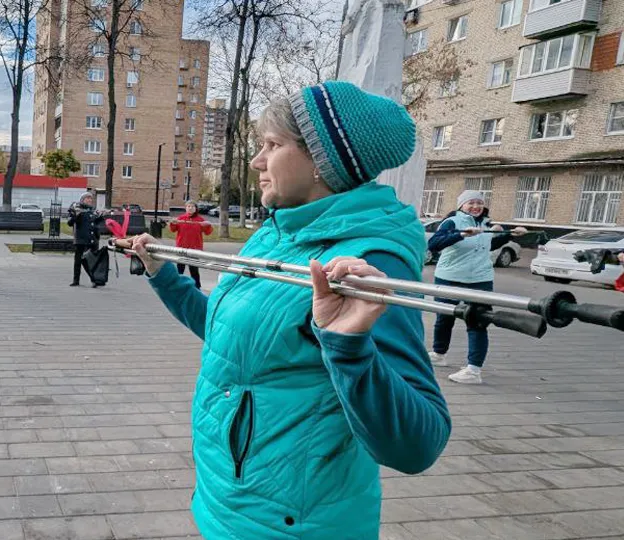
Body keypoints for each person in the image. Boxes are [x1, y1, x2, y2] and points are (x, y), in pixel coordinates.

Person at [130, 81, 451, 539]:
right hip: (230, 496)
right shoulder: (278, 232)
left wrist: (348, 347)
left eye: (272, 145)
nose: (258, 161)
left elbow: (418, 446)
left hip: (294, 523)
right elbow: (231, 340)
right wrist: (163, 274)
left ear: (323, 162)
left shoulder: (370, 259)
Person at [426, 190, 527, 384]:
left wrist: (509, 235)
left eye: (479, 203)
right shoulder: (452, 222)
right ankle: (439, 354)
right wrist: (462, 235)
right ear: (461, 205)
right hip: (450, 277)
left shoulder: (487, 223)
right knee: (444, 318)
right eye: (470, 203)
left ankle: (473, 370)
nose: (475, 206)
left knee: (478, 321)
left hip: (480, 279)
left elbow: (487, 245)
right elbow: (434, 244)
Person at [168, 200, 213, 289]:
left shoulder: (200, 220)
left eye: (192, 206)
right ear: (186, 208)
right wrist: (172, 223)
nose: (190, 208)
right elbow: (173, 230)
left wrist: (208, 225)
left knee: (194, 269)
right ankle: (177, 286)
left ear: (196, 208)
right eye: (188, 206)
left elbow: (208, 232)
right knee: (180, 268)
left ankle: (197, 287)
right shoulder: (181, 218)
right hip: (181, 247)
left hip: (195, 248)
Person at [67, 192, 105, 287]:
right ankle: (76, 281)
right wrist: (76, 214)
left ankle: (94, 279)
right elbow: (70, 222)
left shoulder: (92, 211)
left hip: (91, 241)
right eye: (87, 198)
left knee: (88, 260)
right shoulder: (77, 209)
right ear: (82, 200)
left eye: (91, 199)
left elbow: (95, 224)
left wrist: (101, 217)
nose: (90, 200)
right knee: (78, 261)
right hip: (80, 240)